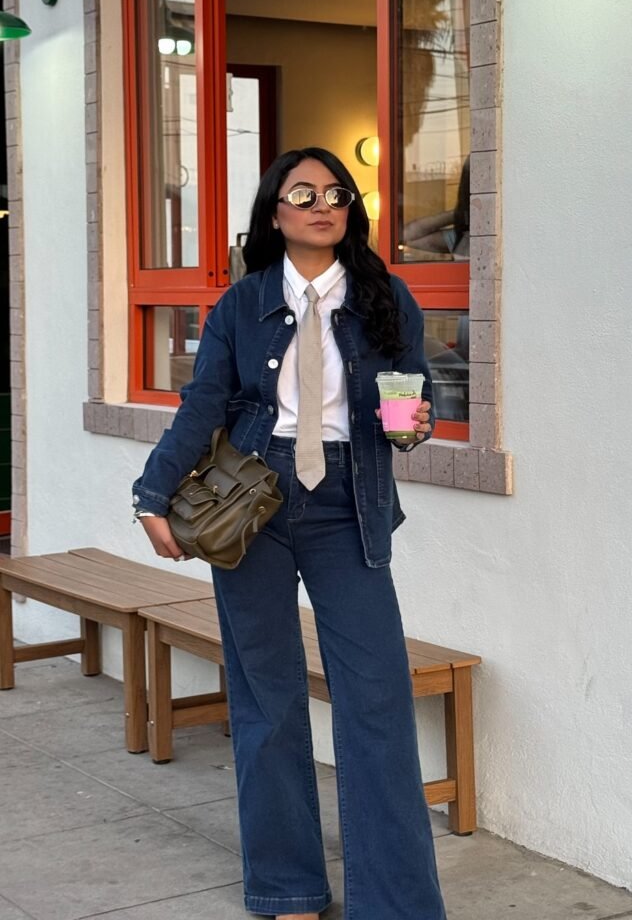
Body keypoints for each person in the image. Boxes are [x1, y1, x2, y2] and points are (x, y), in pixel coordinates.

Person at [132, 147, 447, 920]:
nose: (321, 203)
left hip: (349, 505)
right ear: (274, 212)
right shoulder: (240, 305)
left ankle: (396, 904)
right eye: (301, 192)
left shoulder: (385, 297)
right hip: (253, 506)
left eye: (335, 192)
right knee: (266, 699)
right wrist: (152, 491)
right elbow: (204, 404)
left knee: (374, 700)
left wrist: (411, 424)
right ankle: (288, 889)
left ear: (349, 211)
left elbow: (408, 399)